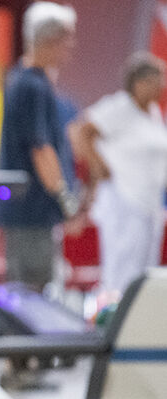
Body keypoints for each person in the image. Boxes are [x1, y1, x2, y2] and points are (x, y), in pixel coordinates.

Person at [0, 2, 82, 294]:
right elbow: (42, 151)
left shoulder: (24, 79)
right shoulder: (33, 86)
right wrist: (66, 202)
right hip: (32, 212)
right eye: (67, 38)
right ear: (50, 40)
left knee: (29, 290)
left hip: (27, 211)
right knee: (32, 294)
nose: (71, 47)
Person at [70, 51, 167, 300]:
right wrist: (100, 165)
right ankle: (115, 325)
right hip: (124, 201)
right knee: (122, 270)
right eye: (157, 80)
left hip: (149, 202)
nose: (162, 86)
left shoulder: (153, 113)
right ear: (140, 82)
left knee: (147, 271)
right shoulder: (119, 107)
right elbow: (81, 132)